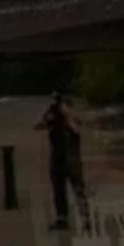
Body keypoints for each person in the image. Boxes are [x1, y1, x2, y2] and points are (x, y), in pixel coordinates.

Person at [41, 92, 93, 232]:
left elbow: (77, 130)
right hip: (57, 157)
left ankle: (85, 218)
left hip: (71, 158)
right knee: (58, 189)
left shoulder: (72, 118)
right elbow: (43, 123)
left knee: (78, 188)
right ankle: (62, 218)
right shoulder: (53, 115)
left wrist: (67, 116)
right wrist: (51, 115)